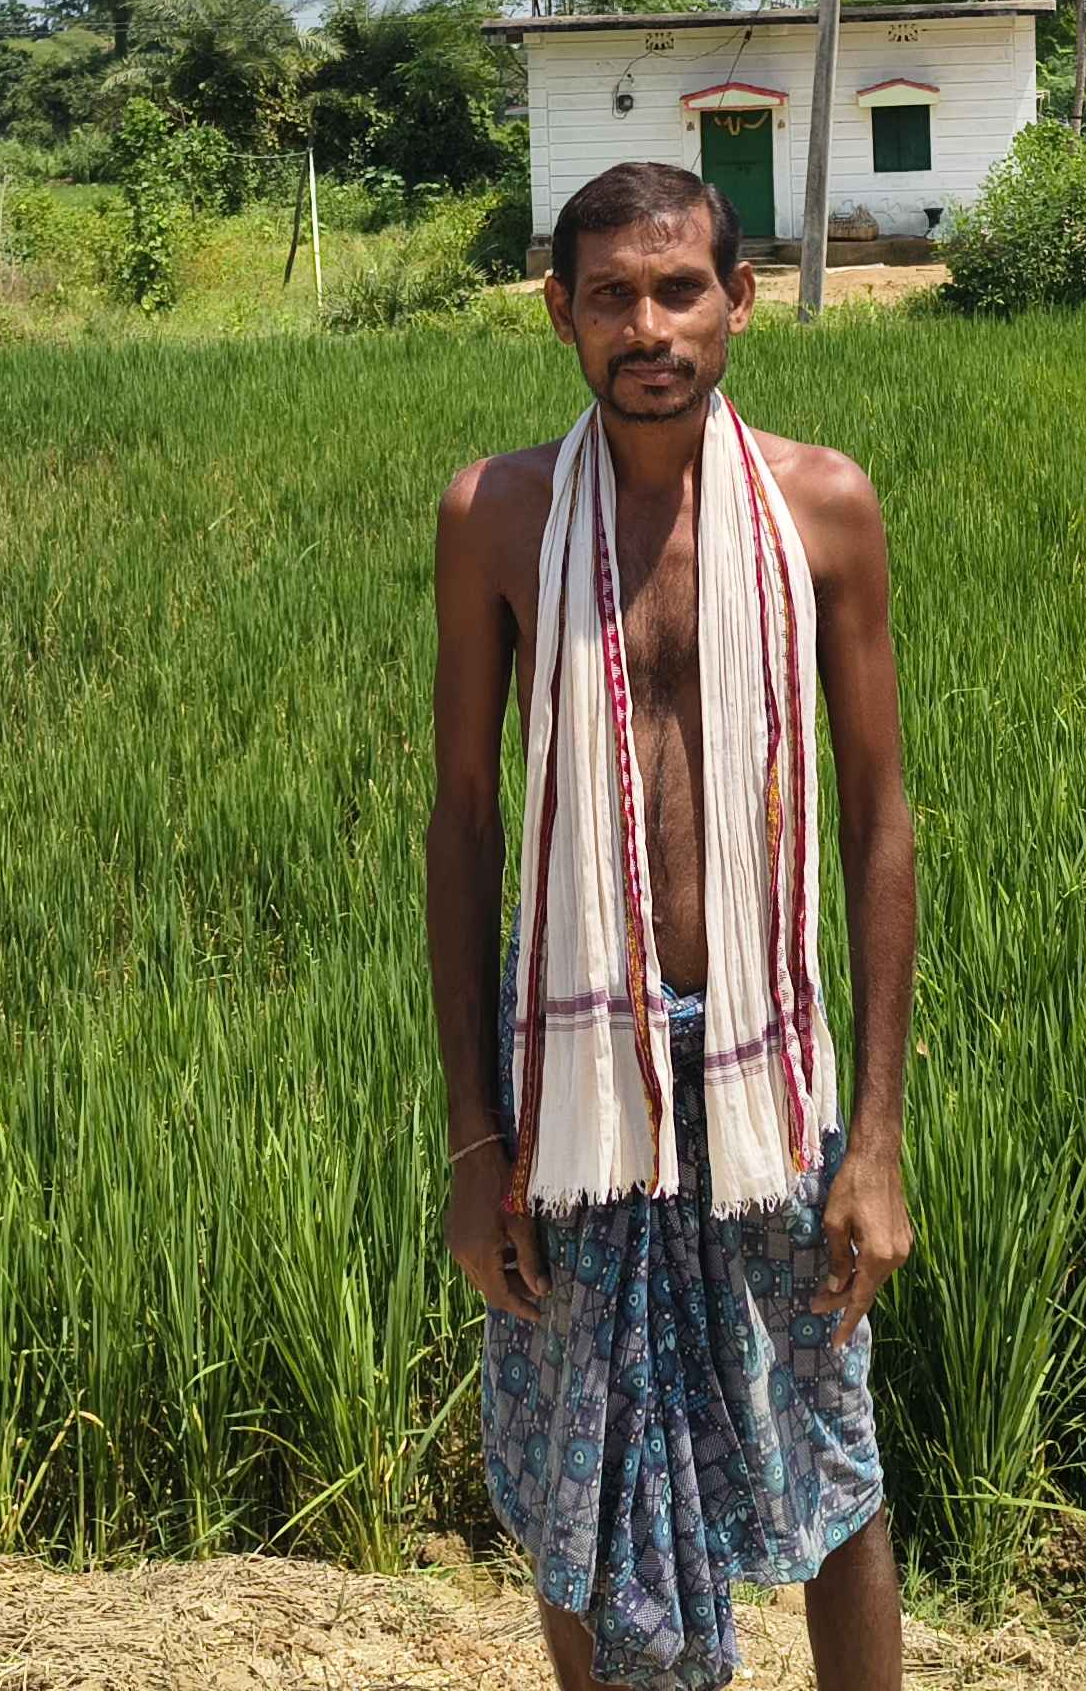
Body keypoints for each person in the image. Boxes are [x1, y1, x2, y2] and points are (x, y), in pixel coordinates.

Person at [428, 158, 919, 1691]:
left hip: (770, 1073)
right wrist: (477, 1140)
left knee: (828, 1446)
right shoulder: (497, 517)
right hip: (573, 1081)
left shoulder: (822, 507)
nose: (649, 327)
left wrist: (878, 1139)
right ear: (559, 311)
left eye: (680, 289)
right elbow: (464, 822)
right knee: (576, 1459)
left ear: (739, 301)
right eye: (613, 296)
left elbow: (879, 816)